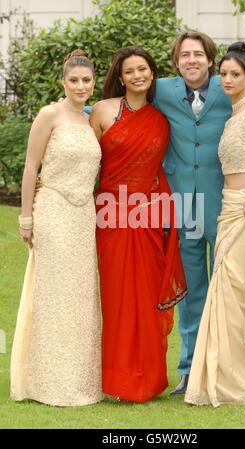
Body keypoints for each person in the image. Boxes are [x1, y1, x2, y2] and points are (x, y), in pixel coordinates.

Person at [153, 31, 245, 394]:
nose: (192, 60)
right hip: (186, 207)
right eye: (185, 55)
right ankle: (190, 368)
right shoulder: (163, 90)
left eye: (198, 54)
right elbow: (124, 101)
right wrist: (74, 110)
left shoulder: (228, 83)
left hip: (229, 205)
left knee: (233, 289)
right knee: (193, 290)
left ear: (211, 60)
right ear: (176, 61)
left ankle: (234, 366)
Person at [90, 46, 187, 403]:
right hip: (111, 216)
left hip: (147, 217)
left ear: (152, 72)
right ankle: (119, 380)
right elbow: (86, 161)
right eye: (129, 71)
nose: (137, 76)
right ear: (120, 75)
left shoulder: (161, 119)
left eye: (143, 69)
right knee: (117, 298)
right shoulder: (101, 111)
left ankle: (147, 380)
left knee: (146, 299)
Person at [10, 50, 103, 407]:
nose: (81, 86)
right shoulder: (50, 114)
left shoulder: (91, 119)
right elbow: (31, 167)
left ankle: (81, 381)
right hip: (51, 210)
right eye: (74, 80)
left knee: (80, 298)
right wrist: (26, 217)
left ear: (93, 82)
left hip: (83, 216)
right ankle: (47, 382)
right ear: (63, 82)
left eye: (86, 80)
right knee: (52, 295)